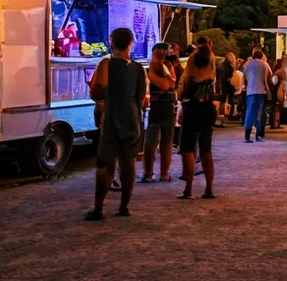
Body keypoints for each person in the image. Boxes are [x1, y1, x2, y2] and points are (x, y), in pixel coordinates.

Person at [86, 27, 146, 221]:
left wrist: (99, 95)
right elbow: (142, 99)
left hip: (112, 118)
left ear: (112, 42)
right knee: (128, 163)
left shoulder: (106, 64)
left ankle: (98, 208)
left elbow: (98, 90)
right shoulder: (138, 68)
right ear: (131, 43)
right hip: (132, 119)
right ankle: (124, 206)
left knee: (105, 164)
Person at [177, 41, 217, 199]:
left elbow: (182, 94)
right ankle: (209, 188)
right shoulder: (211, 75)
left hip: (191, 110)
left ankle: (188, 188)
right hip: (207, 110)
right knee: (206, 149)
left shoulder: (191, 76)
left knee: (187, 150)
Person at [141, 42, 177, 183]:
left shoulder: (148, 67)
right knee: (166, 141)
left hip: (154, 107)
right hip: (166, 106)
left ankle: (149, 173)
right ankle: (163, 173)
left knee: (151, 141)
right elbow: (170, 84)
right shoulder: (168, 66)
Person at [242, 49, 273, 142]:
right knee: (259, 113)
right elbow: (267, 78)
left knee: (249, 112)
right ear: (261, 56)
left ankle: (247, 135)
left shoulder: (247, 64)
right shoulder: (264, 64)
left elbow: (244, 77)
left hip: (250, 91)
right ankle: (258, 135)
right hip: (261, 91)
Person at [217, 52, 236, 127]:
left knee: (223, 99)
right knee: (230, 99)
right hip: (228, 84)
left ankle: (223, 114)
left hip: (224, 84)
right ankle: (229, 114)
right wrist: (229, 78)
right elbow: (226, 75)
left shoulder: (221, 65)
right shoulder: (228, 66)